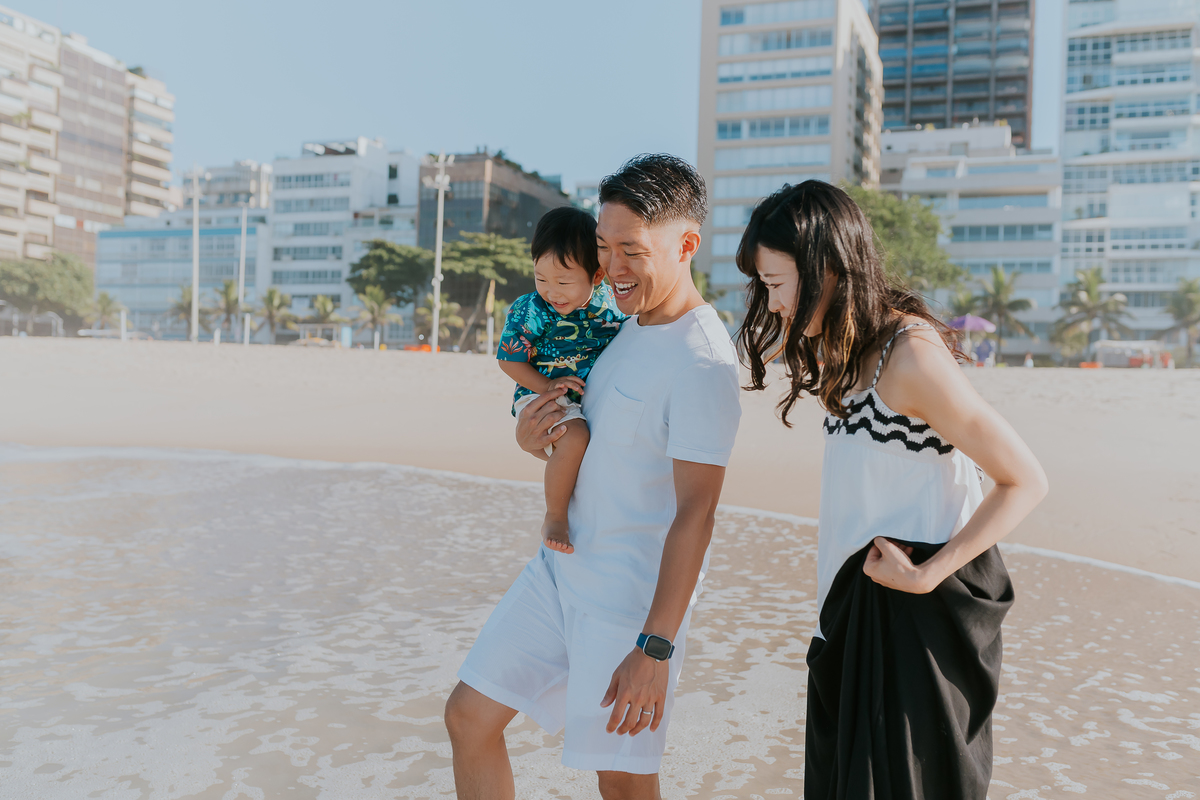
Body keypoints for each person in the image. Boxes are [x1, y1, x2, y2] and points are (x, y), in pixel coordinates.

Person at [736, 181, 1047, 799]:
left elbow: (1025, 480)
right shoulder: (844, 347)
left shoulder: (912, 357)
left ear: (824, 268)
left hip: (916, 617)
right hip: (853, 610)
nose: (770, 305)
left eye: (775, 285)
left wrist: (929, 575)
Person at [444, 154, 741, 800]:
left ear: (686, 244)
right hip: (558, 569)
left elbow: (698, 512)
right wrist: (534, 441)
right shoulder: (624, 328)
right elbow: (595, 442)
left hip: (625, 603)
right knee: (468, 717)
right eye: (603, 249)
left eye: (630, 250)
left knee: (624, 783)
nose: (611, 269)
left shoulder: (703, 363)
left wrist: (655, 649)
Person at [496, 206, 627, 553]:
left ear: (597, 277)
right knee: (576, 436)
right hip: (539, 394)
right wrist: (546, 387)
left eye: (564, 282)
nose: (551, 292)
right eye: (541, 279)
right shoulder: (531, 309)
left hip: (577, 396)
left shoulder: (610, 308)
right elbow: (509, 361)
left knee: (583, 440)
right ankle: (555, 515)